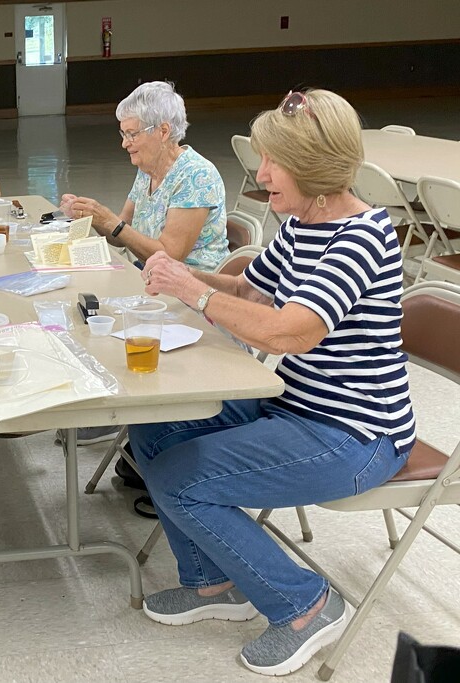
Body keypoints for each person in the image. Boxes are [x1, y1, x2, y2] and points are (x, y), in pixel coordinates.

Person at [127, 89, 415, 677]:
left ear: (314, 163)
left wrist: (194, 293)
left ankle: (307, 604)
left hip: (355, 433)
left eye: (272, 162)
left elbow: (291, 333)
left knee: (182, 480)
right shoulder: (301, 222)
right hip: (294, 407)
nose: (259, 175)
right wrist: (184, 274)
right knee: (153, 427)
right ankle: (214, 583)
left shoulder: (361, 236)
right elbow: (253, 293)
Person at [61, 80, 230, 448]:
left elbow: (169, 254)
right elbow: (121, 231)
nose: (125, 143)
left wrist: (113, 223)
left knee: (96, 322)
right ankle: (112, 406)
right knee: (77, 311)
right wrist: (87, 216)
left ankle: (122, 411)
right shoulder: (148, 170)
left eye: (132, 134)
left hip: (189, 293)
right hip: (149, 282)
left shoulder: (196, 175)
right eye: (123, 134)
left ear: (164, 131)